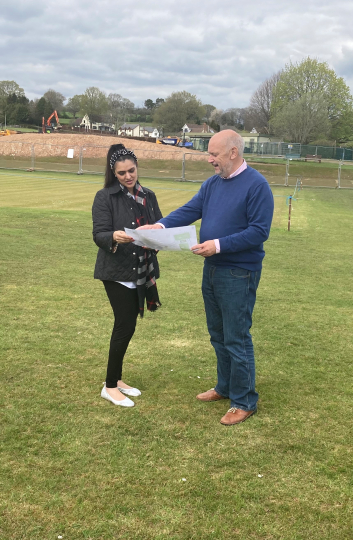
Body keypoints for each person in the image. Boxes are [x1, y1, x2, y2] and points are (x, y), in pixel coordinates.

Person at [139, 130, 274, 425]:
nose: (210, 159)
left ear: (233, 153)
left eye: (214, 154)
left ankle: (245, 400)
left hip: (239, 272)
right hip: (212, 269)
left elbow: (259, 231)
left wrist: (218, 245)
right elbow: (191, 210)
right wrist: (160, 227)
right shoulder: (213, 184)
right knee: (218, 333)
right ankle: (225, 387)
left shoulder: (257, 186)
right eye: (209, 154)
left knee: (236, 336)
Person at [92, 144, 163, 407]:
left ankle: (118, 379)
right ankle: (110, 386)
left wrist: (158, 239)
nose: (128, 176)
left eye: (131, 170)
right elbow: (98, 234)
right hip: (116, 272)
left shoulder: (149, 196)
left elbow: (160, 226)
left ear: (137, 168)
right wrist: (114, 236)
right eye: (121, 173)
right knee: (124, 325)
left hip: (142, 269)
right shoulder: (105, 197)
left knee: (129, 325)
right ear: (114, 173)